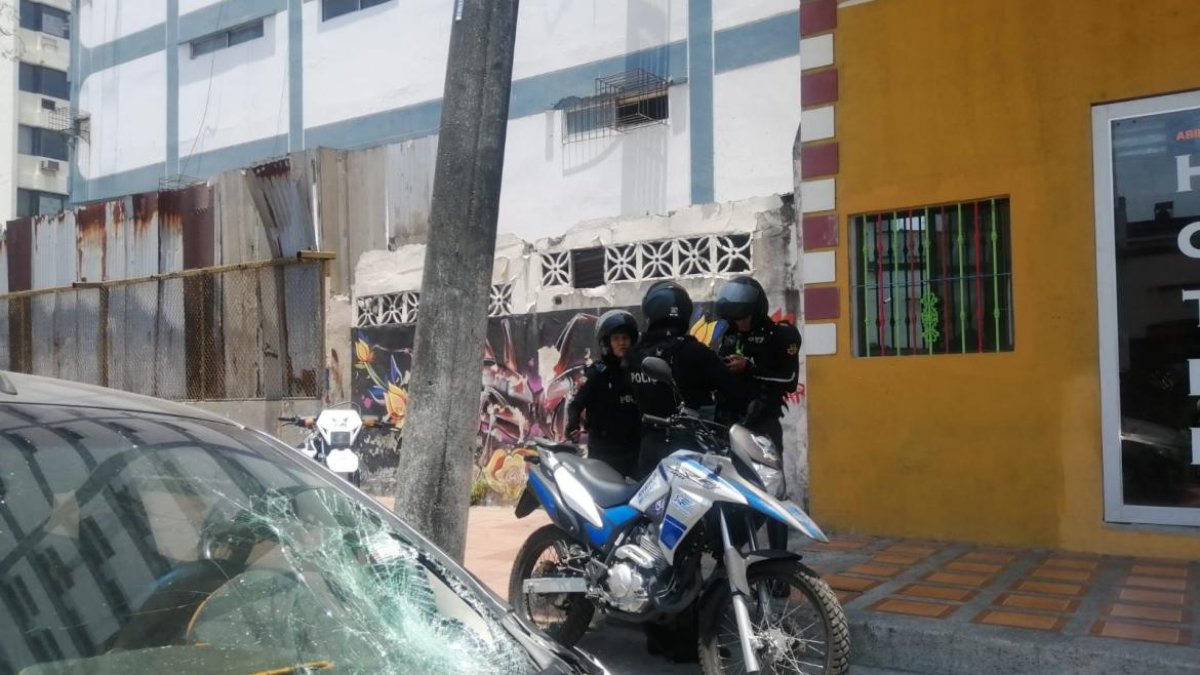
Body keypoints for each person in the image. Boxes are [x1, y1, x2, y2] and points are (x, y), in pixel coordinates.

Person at [715, 275, 802, 552]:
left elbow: (788, 379)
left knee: (773, 495)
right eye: (734, 318)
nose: (738, 323)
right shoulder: (728, 335)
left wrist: (749, 367)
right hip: (732, 425)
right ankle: (732, 555)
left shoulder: (781, 335)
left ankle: (779, 560)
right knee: (733, 494)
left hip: (763, 425)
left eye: (743, 318)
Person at [626, 281, 746, 480]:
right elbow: (734, 392)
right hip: (688, 448)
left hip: (649, 447)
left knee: (649, 509)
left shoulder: (634, 355)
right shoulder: (693, 351)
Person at [564, 310, 641, 478]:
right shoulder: (596, 373)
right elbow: (576, 405)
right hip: (604, 452)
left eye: (625, 338)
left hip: (635, 450)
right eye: (616, 339)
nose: (622, 343)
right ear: (607, 342)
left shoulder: (640, 371)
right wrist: (573, 425)